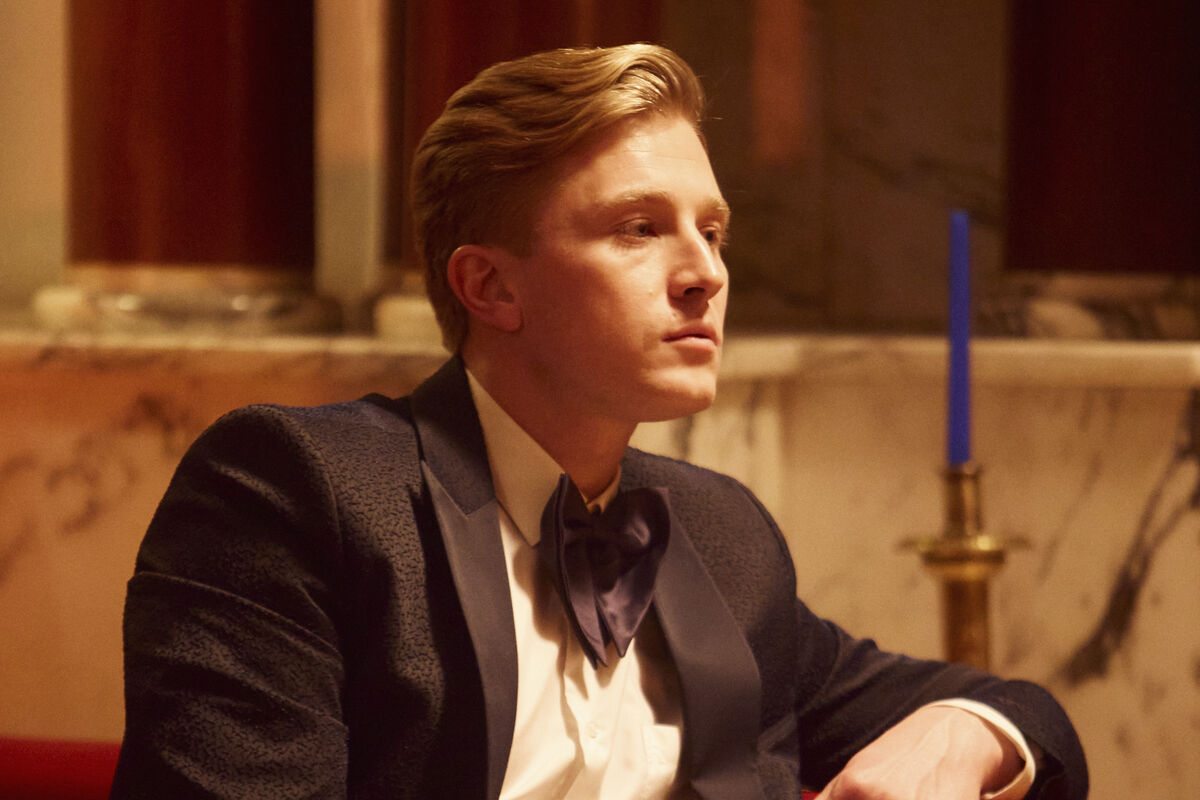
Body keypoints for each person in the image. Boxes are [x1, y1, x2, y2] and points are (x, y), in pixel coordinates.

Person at [111, 44, 1087, 799]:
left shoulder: (721, 534)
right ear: (490, 285)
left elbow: (1029, 717)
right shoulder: (294, 491)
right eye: (639, 228)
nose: (705, 273)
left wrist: (960, 731)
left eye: (713, 230)